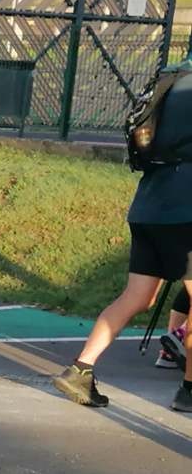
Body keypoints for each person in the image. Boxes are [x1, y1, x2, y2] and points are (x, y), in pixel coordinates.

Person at [53, 62, 192, 413]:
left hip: (150, 204)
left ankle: (81, 369)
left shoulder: (174, 80)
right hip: (186, 206)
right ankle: (189, 391)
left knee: (137, 296)